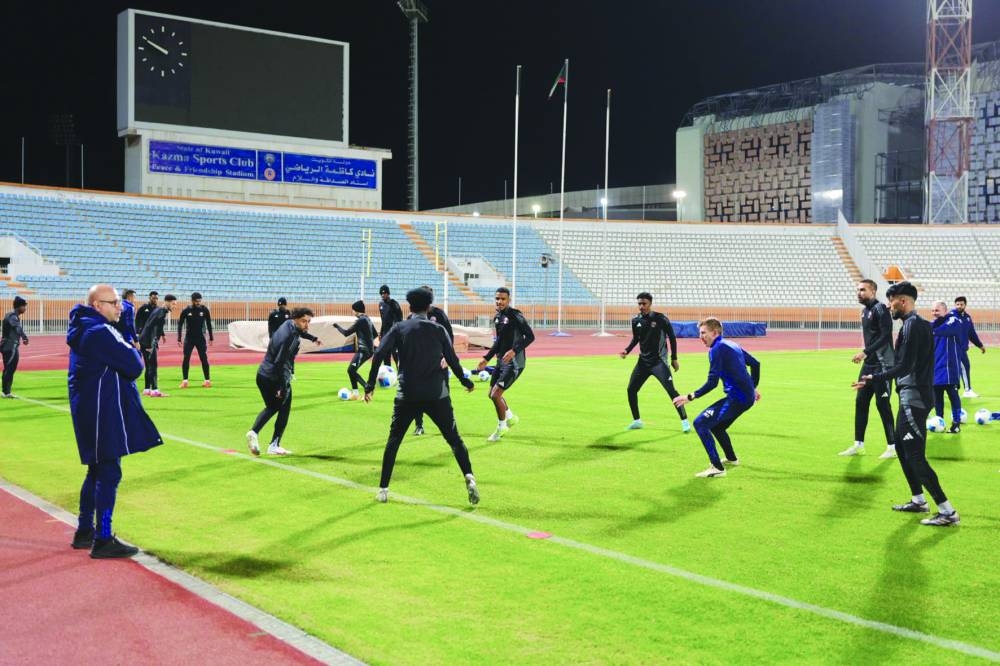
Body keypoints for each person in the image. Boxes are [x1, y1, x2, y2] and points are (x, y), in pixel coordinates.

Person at [853, 281, 960, 527]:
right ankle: (918, 500)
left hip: (915, 398)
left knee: (914, 456)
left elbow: (905, 366)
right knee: (902, 449)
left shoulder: (913, 326)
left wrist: (874, 377)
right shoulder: (914, 325)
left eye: (891, 301)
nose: (888, 306)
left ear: (903, 301)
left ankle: (947, 511)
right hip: (910, 395)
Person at [68, 284, 163, 558]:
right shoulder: (99, 331)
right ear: (97, 305)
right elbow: (135, 364)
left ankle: (85, 531)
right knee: (109, 472)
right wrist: (127, 346)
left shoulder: (85, 327)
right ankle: (103, 538)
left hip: (91, 408)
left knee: (96, 471)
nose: (119, 307)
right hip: (102, 410)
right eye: (113, 303)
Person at [364, 287, 478, 505]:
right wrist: (467, 382)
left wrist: (370, 385)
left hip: (407, 394)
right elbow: (453, 361)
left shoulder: (399, 328)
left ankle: (383, 490)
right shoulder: (438, 330)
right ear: (429, 307)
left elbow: (378, 353)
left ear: (409, 306)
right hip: (437, 393)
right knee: (454, 439)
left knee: (394, 440)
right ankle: (469, 477)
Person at [673, 318, 760, 478]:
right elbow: (755, 364)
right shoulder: (731, 344)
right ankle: (731, 458)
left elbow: (712, 383)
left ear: (715, 332)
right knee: (717, 426)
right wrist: (752, 388)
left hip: (737, 398)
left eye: (703, 333)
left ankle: (717, 468)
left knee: (700, 423)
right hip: (744, 397)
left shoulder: (717, 349)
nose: (700, 336)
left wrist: (690, 396)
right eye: (700, 333)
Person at [246, 308, 321, 456]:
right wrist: (281, 386)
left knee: (273, 406)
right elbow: (279, 361)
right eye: (304, 321)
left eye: (308, 321)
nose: (307, 325)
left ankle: (260, 436)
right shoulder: (290, 337)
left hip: (262, 374)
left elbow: (300, 332)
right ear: (296, 319)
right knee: (281, 407)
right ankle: (265, 439)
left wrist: (312, 338)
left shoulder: (287, 324)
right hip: (275, 377)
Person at [840, 279, 897, 458]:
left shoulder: (880, 309)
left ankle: (893, 447)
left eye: (863, 290)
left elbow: (885, 335)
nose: (859, 293)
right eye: (858, 290)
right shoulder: (864, 312)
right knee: (861, 402)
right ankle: (858, 444)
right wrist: (866, 356)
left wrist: (865, 352)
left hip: (883, 365)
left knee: (882, 404)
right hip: (869, 365)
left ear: (873, 291)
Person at [620, 292, 690, 433]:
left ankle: (685, 421)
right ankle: (637, 421)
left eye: (644, 303)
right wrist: (627, 351)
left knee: (671, 391)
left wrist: (674, 358)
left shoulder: (660, 318)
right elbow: (636, 339)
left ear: (650, 304)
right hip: (643, 363)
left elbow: (672, 337)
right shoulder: (635, 321)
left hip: (659, 362)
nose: (641, 306)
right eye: (639, 303)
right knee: (631, 389)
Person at [476, 287, 535, 441]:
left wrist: (514, 351)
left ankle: (501, 428)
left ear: (509, 300)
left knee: (496, 394)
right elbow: (499, 341)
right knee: (491, 394)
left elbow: (530, 336)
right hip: (500, 361)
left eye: (502, 299)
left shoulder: (515, 315)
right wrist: (486, 358)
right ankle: (510, 417)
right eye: (497, 298)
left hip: (515, 363)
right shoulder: (497, 318)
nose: (499, 301)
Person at [412, 284, 454, 436]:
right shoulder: (413, 316)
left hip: (438, 361)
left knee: (443, 393)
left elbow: (449, 336)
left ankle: (449, 424)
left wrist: (447, 357)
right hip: (418, 363)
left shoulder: (439, 314)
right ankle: (419, 425)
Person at [931, 300, 964, 434]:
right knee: (937, 398)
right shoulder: (932, 325)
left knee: (953, 396)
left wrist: (931, 331)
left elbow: (945, 330)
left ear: (945, 311)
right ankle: (940, 422)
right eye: (932, 310)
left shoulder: (954, 320)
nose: (934, 313)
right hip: (935, 368)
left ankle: (956, 423)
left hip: (950, 368)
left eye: (937, 310)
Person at [333, 300, 377, 400]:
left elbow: (346, 333)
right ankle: (356, 394)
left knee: (351, 370)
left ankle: (367, 388)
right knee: (351, 370)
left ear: (356, 310)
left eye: (353, 310)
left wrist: (337, 326)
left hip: (363, 351)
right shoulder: (367, 319)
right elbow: (374, 334)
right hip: (368, 350)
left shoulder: (360, 320)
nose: (352, 312)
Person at [137, 294, 177, 397]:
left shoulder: (158, 310)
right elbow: (151, 327)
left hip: (144, 340)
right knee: (153, 365)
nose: (174, 306)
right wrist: (151, 344)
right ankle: (155, 391)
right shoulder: (161, 312)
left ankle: (147, 389)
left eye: (175, 304)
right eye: (173, 303)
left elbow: (150, 326)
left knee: (148, 365)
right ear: (167, 302)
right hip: (148, 341)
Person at [177, 292, 214, 388]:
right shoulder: (186, 310)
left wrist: (211, 337)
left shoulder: (204, 309)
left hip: (200, 338)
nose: (198, 303)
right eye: (197, 301)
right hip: (189, 338)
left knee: (204, 358)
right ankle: (185, 381)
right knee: (186, 358)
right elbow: (180, 324)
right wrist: (179, 338)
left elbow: (209, 323)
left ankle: (207, 381)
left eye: (200, 301)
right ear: (192, 300)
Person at [953, 296, 986, 398]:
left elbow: (971, 334)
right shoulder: (951, 316)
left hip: (962, 349)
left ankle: (955, 390)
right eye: (957, 304)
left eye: (961, 304)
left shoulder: (967, 318)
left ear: (965, 305)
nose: (959, 306)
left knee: (959, 369)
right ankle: (967, 390)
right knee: (963, 368)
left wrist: (980, 345)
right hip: (954, 348)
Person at [1, 296, 29, 398]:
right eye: (24, 306)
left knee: (9, 368)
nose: (25, 308)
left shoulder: (11, 315)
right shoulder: (12, 316)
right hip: (10, 345)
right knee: (10, 368)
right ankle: (6, 392)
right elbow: (17, 328)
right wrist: (24, 337)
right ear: (19, 306)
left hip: (9, 345)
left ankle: (6, 391)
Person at [377, 285, 403, 368]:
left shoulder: (394, 304)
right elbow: (383, 321)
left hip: (394, 332)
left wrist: (397, 332)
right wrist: (381, 333)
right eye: (381, 293)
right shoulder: (380, 304)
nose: (382, 295)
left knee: (395, 354)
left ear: (388, 293)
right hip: (385, 333)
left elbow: (399, 319)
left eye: (384, 293)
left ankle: (400, 374)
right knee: (385, 355)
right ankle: (387, 375)